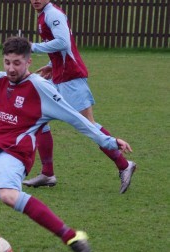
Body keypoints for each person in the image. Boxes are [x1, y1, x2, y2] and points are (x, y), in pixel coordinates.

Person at [0, 27, 133, 252]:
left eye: (17, 63)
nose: (11, 68)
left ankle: (72, 237)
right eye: (7, 62)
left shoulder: (41, 88)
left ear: (28, 61)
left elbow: (76, 119)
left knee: (8, 195)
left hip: (14, 156)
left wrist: (109, 141)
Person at [23, 0, 136, 193]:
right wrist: (53, 65)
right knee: (37, 119)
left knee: (89, 125)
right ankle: (47, 173)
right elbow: (63, 47)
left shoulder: (53, 15)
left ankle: (124, 165)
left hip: (72, 79)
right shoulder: (44, 14)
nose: (35, 0)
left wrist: (31, 47)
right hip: (61, 76)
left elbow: (63, 42)